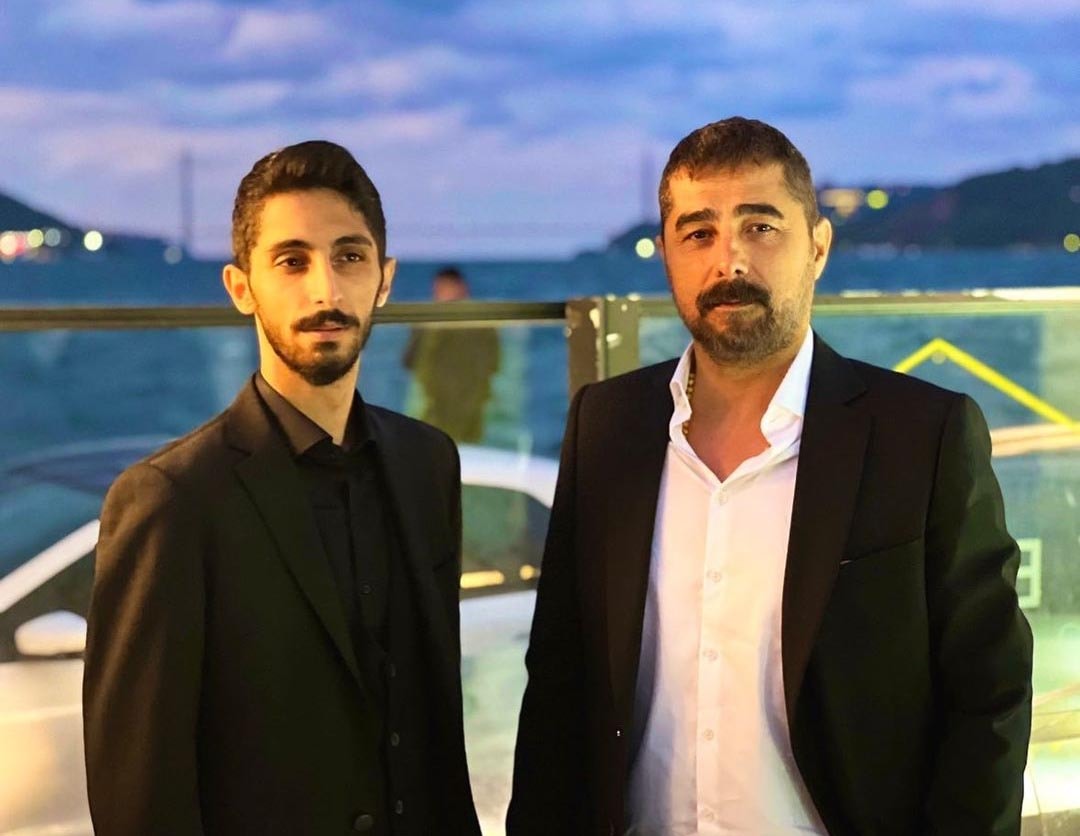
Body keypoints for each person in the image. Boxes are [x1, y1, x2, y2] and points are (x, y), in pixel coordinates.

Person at [508, 117, 1033, 836]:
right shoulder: (607, 425)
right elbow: (559, 681)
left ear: (817, 247)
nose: (729, 261)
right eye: (699, 233)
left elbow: (989, 693)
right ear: (667, 254)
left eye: (760, 228)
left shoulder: (923, 434)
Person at [83, 140, 481, 836]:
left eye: (349, 257)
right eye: (292, 261)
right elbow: (139, 798)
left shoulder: (428, 463)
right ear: (241, 288)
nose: (326, 290)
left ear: (384, 280)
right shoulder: (171, 499)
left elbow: (433, 730)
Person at [402, 267, 500, 443]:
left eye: (445, 288)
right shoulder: (426, 323)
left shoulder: (479, 323)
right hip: (440, 397)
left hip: (462, 397)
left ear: (462, 288)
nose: (441, 294)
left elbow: (492, 361)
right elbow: (409, 360)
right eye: (439, 289)